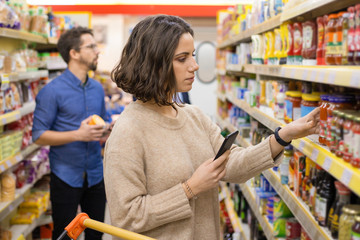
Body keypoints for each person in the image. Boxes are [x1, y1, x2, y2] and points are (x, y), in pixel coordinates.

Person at [103, 15, 320, 240]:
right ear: (154, 63)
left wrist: (283, 136)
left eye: (193, 56)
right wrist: (190, 188)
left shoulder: (194, 115)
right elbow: (126, 217)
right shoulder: (128, 131)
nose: (194, 66)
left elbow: (233, 165)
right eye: (182, 58)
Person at [32, 26, 110, 240]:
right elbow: (38, 135)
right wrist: (78, 135)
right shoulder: (51, 91)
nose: (97, 51)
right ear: (74, 53)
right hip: (65, 177)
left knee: (97, 234)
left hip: (95, 174)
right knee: (64, 235)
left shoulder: (96, 88)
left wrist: (108, 129)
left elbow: (104, 120)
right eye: (91, 46)